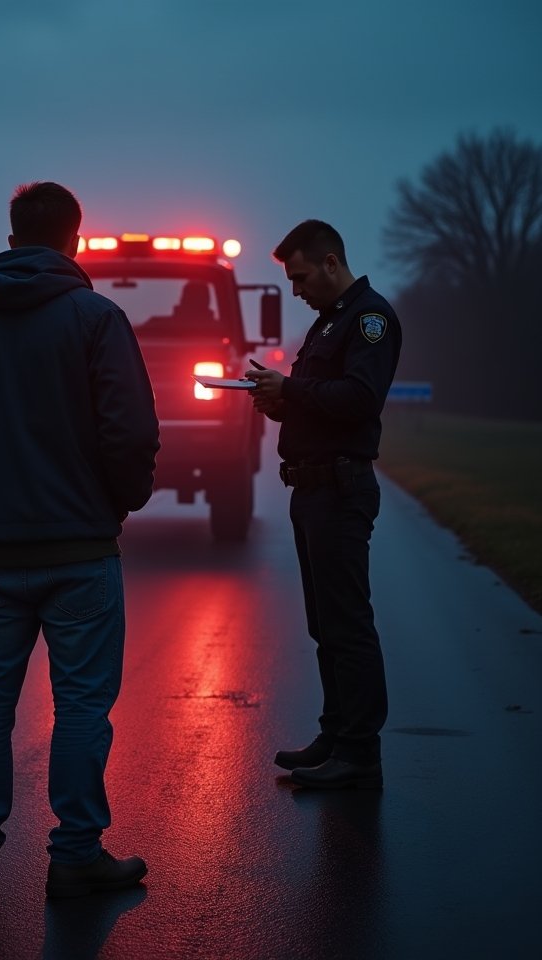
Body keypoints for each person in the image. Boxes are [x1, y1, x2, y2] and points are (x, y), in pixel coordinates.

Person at [0, 181, 160, 896]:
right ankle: (76, 855)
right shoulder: (96, 319)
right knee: (80, 705)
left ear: (12, 238)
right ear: (75, 240)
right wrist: (117, 502)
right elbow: (131, 430)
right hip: (80, 550)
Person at [247, 219, 401, 790]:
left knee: (347, 624)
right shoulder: (329, 322)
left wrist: (291, 390)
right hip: (312, 489)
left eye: (301, 277)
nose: (296, 290)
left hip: (340, 489)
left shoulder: (369, 319)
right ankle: (335, 735)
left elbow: (360, 399)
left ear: (331, 263)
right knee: (324, 625)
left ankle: (360, 753)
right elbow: (322, 401)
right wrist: (281, 401)